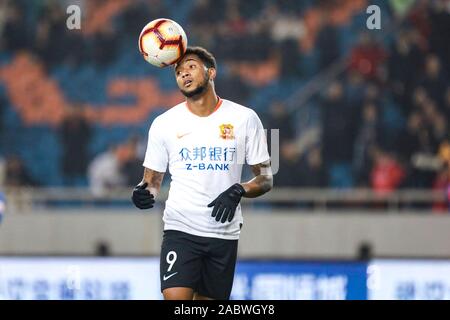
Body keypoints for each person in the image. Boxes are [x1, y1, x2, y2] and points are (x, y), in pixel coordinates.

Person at [131, 47, 273, 300]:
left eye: (191, 67)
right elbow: (150, 182)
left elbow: (265, 178)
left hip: (223, 233)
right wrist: (142, 193)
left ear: (212, 72)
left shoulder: (245, 118)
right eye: (178, 72)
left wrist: (239, 189)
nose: (184, 74)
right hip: (180, 229)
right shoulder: (164, 123)